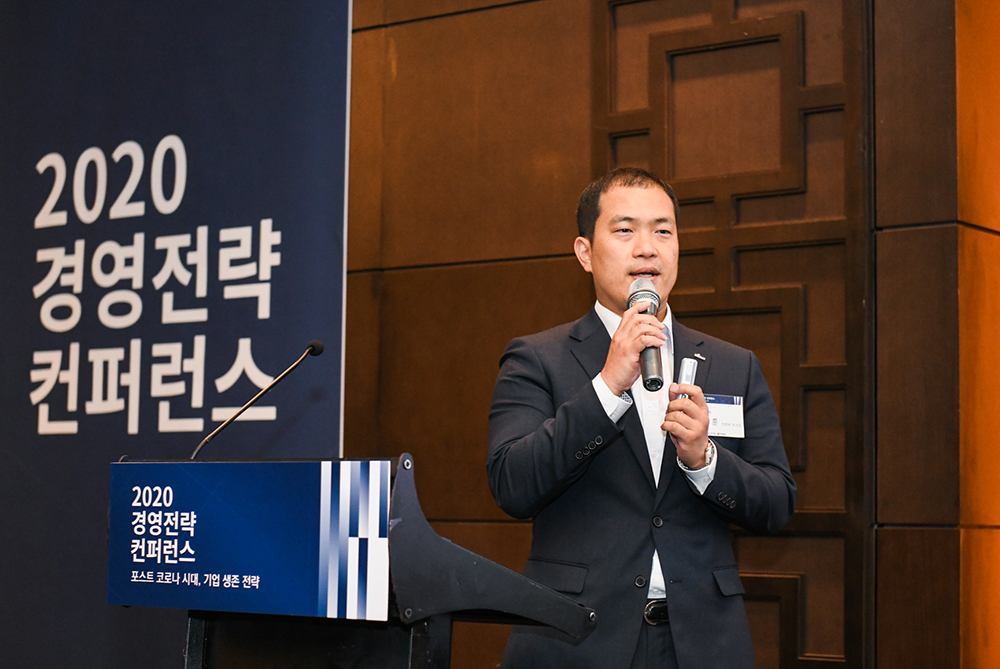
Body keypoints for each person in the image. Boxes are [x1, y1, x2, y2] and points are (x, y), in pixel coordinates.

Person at [487, 167, 796, 668]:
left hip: (702, 644)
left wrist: (704, 460)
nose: (647, 248)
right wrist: (607, 388)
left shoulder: (733, 364)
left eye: (663, 231)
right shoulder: (537, 358)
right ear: (586, 252)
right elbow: (512, 484)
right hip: (577, 642)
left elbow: (776, 503)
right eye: (625, 230)